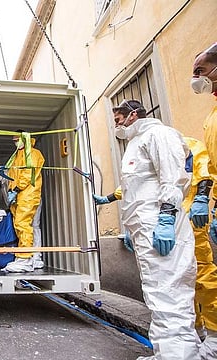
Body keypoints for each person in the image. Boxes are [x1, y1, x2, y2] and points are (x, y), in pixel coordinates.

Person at [94, 136, 217, 347]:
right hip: (161, 223)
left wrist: (201, 199)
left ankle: (213, 334)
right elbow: (134, 184)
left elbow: (202, 172)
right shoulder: (147, 151)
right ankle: (191, 335)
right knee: (175, 283)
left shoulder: (184, 144)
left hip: (186, 219)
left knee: (201, 275)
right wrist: (109, 200)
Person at [112, 99, 199, 359]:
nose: (117, 124)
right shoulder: (135, 144)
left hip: (160, 226)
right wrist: (131, 227)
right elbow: (137, 190)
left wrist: (167, 218)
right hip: (145, 228)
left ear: (133, 115)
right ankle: (168, 353)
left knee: (170, 293)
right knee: (158, 292)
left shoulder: (159, 134)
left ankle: (179, 356)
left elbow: (173, 179)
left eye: (118, 118)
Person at [191, 42, 217, 358]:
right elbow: (211, 165)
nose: (196, 79)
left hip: (195, 216)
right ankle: (206, 336)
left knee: (206, 275)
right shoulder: (211, 115)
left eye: (200, 71)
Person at [2, 130, 45, 272]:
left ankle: (25, 259)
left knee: (23, 224)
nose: (15, 142)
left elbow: (28, 174)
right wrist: (11, 190)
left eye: (17, 139)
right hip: (20, 196)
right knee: (20, 225)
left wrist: (16, 189)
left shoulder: (32, 153)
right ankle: (26, 257)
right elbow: (13, 176)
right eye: (14, 140)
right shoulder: (17, 156)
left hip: (28, 194)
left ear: (25, 139)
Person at [0, 166, 44, 269]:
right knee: (22, 229)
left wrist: (15, 192)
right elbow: (8, 201)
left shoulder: (11, 174)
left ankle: (36, 256)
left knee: (34, 226)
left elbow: (22, 182)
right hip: (20, 206)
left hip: (30, 200)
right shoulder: (3, 185)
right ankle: (25, 256)